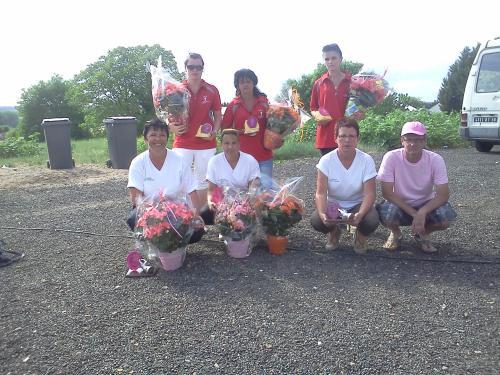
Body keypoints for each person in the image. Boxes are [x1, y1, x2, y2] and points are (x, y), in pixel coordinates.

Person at [376, 121, 457, 253]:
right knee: (386, 215)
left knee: (445, 218)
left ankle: (423, 233)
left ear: (424, 141)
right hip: (399, 203)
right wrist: (414, 213)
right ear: (402, 140)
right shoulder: (391, 157)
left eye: (418, 139)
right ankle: (395, 233)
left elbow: (443, 194)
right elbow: (387, 193)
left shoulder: (435, 159)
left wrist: (422, 212)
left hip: (426, 202)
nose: (413, 144)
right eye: (409, 139)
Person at [126, 118, 204, 243]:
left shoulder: (179, 159)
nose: (158, 139)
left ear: (167, 138)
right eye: (153, 135)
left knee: (197, 231)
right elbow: (136, 198)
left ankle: (173, 245)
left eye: (162, 135)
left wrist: (196, 215)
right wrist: (153, 216)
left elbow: (192, 191)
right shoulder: (138, 162)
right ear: (145, 138)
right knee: (133, 219)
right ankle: (157, 243)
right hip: (149, 210)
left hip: (176, 209)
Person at [310, 118, 379, 254]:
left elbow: (370, 194)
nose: (347, 140)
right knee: (317, 221)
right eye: (342, 136)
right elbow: (321, 193)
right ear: (336, 139)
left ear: (357, 138)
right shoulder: (326, 160)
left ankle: (360, 236)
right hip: (334, 205)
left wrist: (360, 214)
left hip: (356, 203)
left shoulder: (366, 160)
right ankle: (334, 232)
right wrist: (323, 214)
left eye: (351, 136)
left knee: (371, 220)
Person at [168, 52, 222, 208]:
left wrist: (215, 131)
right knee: (179, 178)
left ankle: (199, 218)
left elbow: (218, 115)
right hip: (182, 141)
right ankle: (181, 216)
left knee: (203, 180)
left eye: (198, 67)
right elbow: (167, 114)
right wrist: (170, 125)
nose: (194, 70)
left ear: (202, 69)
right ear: (185, 68)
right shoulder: (176, 90)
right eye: (191, 66)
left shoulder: (212, 90)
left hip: (205, 143)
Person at [221, 69, 279, 190]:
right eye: (242, 82)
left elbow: (274, 125)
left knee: (266, 190)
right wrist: (240, 132)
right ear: (237, 85)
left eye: (248, 81)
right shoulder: (233, 105)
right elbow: (225, 130)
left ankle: (266, 209)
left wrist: (283, 127)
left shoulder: (264, 103)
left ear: (254, 83)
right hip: (241, 156)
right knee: (245, 191)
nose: (245, 85)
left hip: (263, 154)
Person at [201, 129, 261, 224]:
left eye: (234, 143)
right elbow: (211, 189)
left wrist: (249, 205)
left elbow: (253, 189)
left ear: (239, 144)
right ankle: (224, 226)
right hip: (221, 200)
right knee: (203, 215)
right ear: (221, 144)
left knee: (252, 214)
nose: (230, 146)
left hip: (244, 201)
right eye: (226, 143)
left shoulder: (250, 161)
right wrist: (210, 201)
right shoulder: (214, 161)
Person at [310, 43, 352, 156]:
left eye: (334, 58)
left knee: (347, 171)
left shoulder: (352, 82)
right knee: (328, 172)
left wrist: (360, 113)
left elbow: (358, 107)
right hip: (325, 137)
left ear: (341, 59)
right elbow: (313, 108)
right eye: (327, 59)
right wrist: (318, 116)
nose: (330, 62)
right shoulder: (318, 83)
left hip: (347, 135)